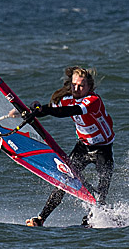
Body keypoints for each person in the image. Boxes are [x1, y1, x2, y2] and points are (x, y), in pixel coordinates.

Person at [13, 66, 115, 227]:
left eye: (81, 86)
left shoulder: (93, 101)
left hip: (103, 148)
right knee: (64, 182)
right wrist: (28, 111)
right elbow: (49, 109)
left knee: (103, 187)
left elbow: (67, 111)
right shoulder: (67, 99)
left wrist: (46, 110)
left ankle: (94, 218)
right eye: (74, 85)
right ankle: (41, 219)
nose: (76, 89)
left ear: (89, 87)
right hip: (83, 147)